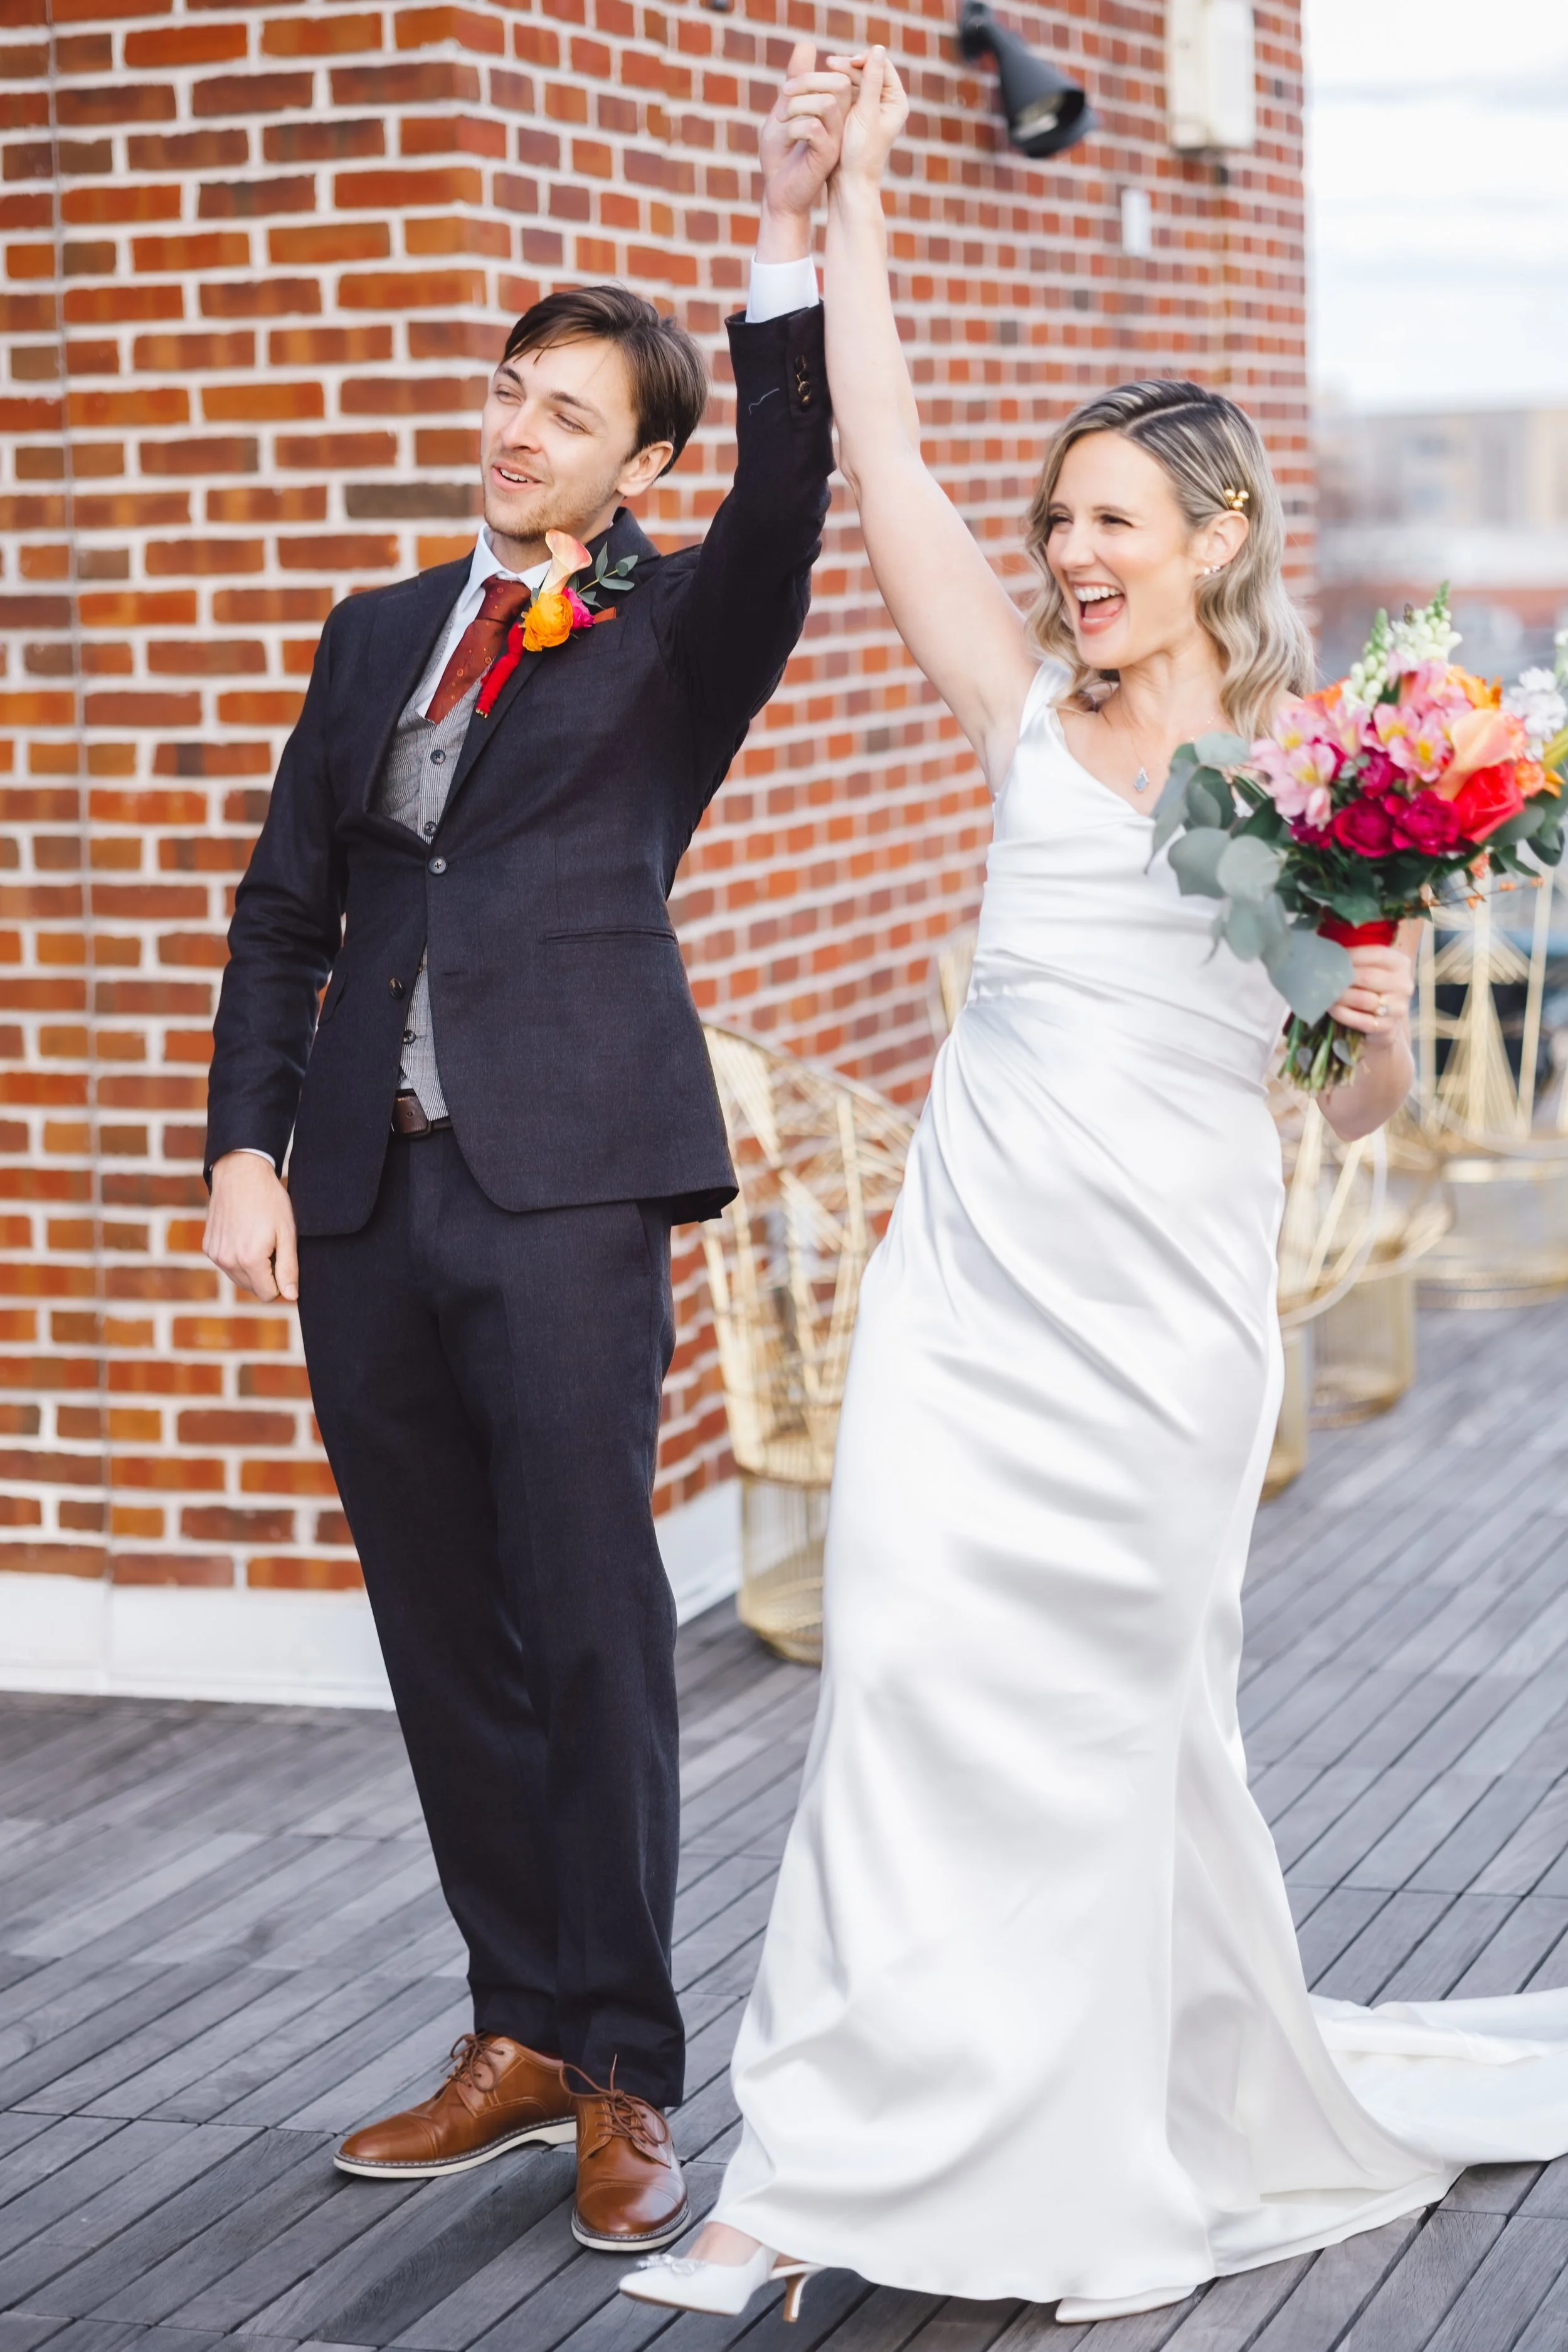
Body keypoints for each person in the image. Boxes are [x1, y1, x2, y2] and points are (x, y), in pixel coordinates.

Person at [620, 50, 1568, 2328]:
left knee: (1107, 1734)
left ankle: (1092, 2125)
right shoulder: (1018, 704)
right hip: (976, 1291)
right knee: (907, 1690)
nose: (1069, 555)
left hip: (1162, 1320)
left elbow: (1344, 1114)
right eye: (1059, 525)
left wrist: (1361, 953)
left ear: (1216, 542)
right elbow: (886, 459)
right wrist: (823, 209)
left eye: (1113, 525)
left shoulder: (1306, 786)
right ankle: (812, 2155)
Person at [200, 46, 850, 2257]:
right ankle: (514, 2029)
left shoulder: (683, 632)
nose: (510, 426)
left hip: (568, 1182)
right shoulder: (377, 628)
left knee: (589, 1622)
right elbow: (288, 906)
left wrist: (784, 225)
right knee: (436, 1623)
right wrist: (243, 1152)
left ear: (637, 458)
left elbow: (789, 491)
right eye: (505, 389)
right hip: (363, 1193)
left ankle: (633, 2071)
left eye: (563, 411)